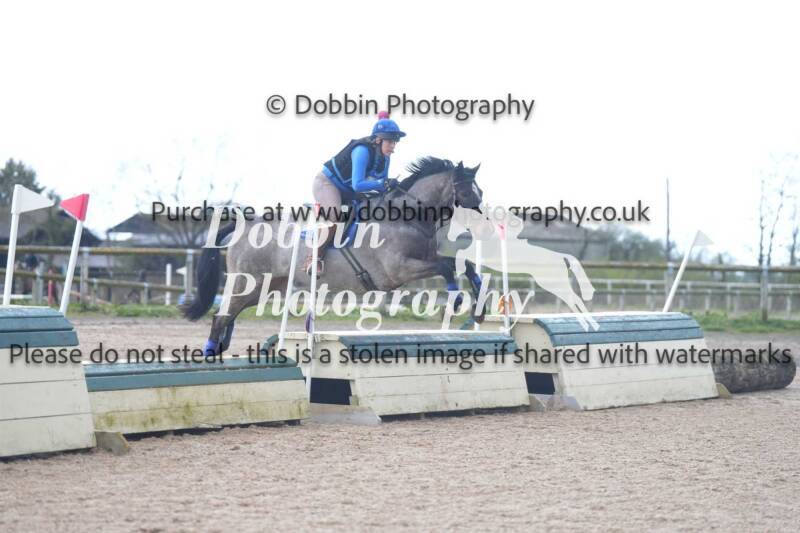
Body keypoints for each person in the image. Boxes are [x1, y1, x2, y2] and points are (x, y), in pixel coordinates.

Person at [305, 111, 406, 274]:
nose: (393, 146)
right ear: (378, 140)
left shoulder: (385, 157)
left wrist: (390, 187)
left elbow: (382, 186)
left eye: (395, 142)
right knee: (335, 218)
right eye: (390, 141)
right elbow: (358, 185)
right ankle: (314, 258)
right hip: (328, 184)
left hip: (349, 190)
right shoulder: (362, 151)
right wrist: (383, 184)